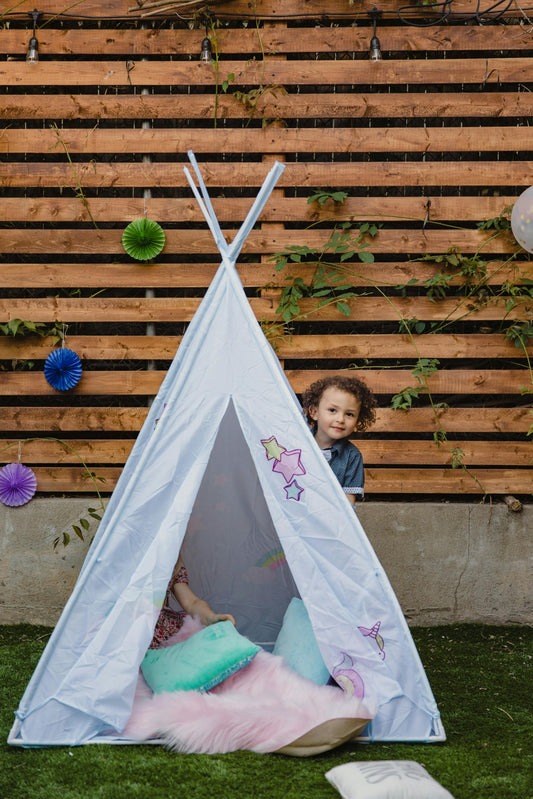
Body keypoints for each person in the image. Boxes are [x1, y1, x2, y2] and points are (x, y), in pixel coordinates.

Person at [301, 375, 377, 505]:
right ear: (314, 412)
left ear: (357, 420)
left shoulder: (352, 457)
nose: (340, 419)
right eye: (332, 410)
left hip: (330, 520)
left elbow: (348, 503)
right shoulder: (298, 444)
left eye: (349, 414)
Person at [149, 555, 235, 649]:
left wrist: (211, 618)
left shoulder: (168, 557)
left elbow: (192, 603)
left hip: (163, 629)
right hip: (138, 632)